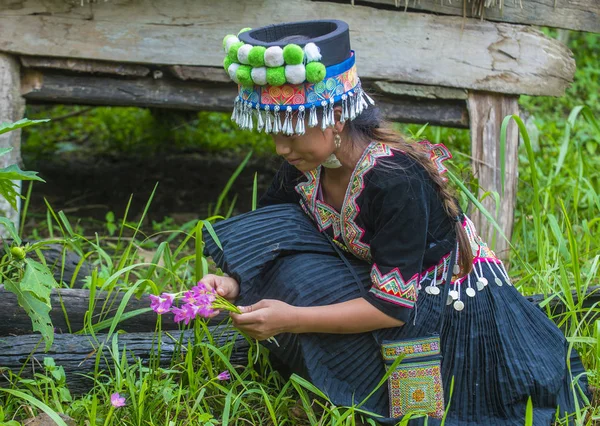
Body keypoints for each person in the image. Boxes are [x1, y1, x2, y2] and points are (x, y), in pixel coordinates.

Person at [202, 20, 587, 425]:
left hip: (440, 307)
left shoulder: (395, 180)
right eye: (274, 131)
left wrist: (291, 318)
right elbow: (272, 238)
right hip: (378, 279)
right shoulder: (304, 166)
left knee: (426, 412)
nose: (281, 147)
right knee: (291, 269)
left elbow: (392, 308)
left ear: (335, 117)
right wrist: (232, 283)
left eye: (292, 131)